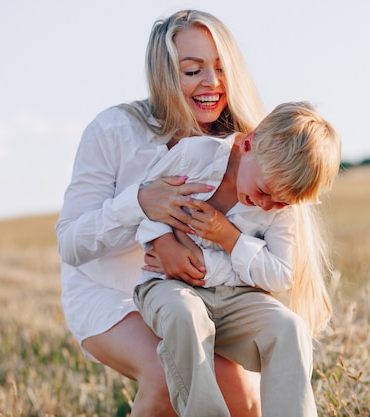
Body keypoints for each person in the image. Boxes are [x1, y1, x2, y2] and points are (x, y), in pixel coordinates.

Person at [56, 9, 269, 416]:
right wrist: (140, 202)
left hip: (201, 292)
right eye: (193, 71)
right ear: (165, 74)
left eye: (221, 68)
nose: (211, 83)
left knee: (240, 390)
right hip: (110, 292)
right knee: (166, 373)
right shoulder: (113, 130)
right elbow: (70, 243)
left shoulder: (242, 143)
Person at [133, 101, 342, 417]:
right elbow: (148, 205)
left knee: (290, 329)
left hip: (237, 299)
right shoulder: (194, 157)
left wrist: (229, 238)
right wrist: (164, 244)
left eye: (281, 203)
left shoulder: (280, 210)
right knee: (185, 315)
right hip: (169, 285)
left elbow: (281, 274)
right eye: (264, 191)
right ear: (248, 145)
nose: (267, 205)